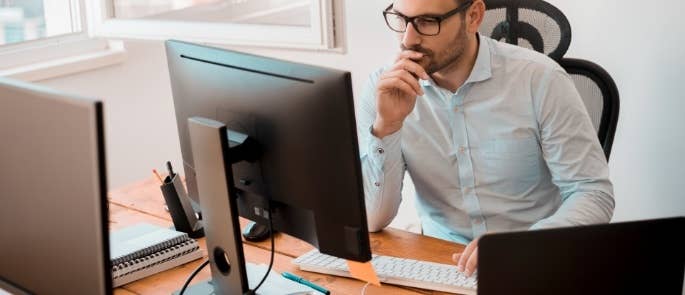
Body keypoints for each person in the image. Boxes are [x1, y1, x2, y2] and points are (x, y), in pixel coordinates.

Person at [357, 0, 614, 277]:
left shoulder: (541, 80)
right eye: (401, 19)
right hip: (441, 262)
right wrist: (387, 126)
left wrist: (521, 245)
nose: (408, 39)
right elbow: (373, 219)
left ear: (473, 16)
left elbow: (592, 194)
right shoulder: (384, 88)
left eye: (428, 22)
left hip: (532, 261)